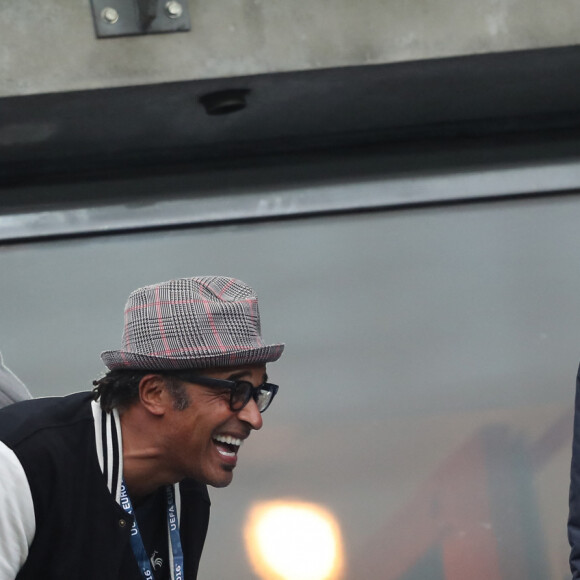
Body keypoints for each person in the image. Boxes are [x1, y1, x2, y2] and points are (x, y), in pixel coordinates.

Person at [0, 276, 284, 580]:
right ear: (154, 393)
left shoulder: (187, 487)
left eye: (257, 392)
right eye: (235, 390)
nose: (255, 418)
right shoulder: (21, 463)